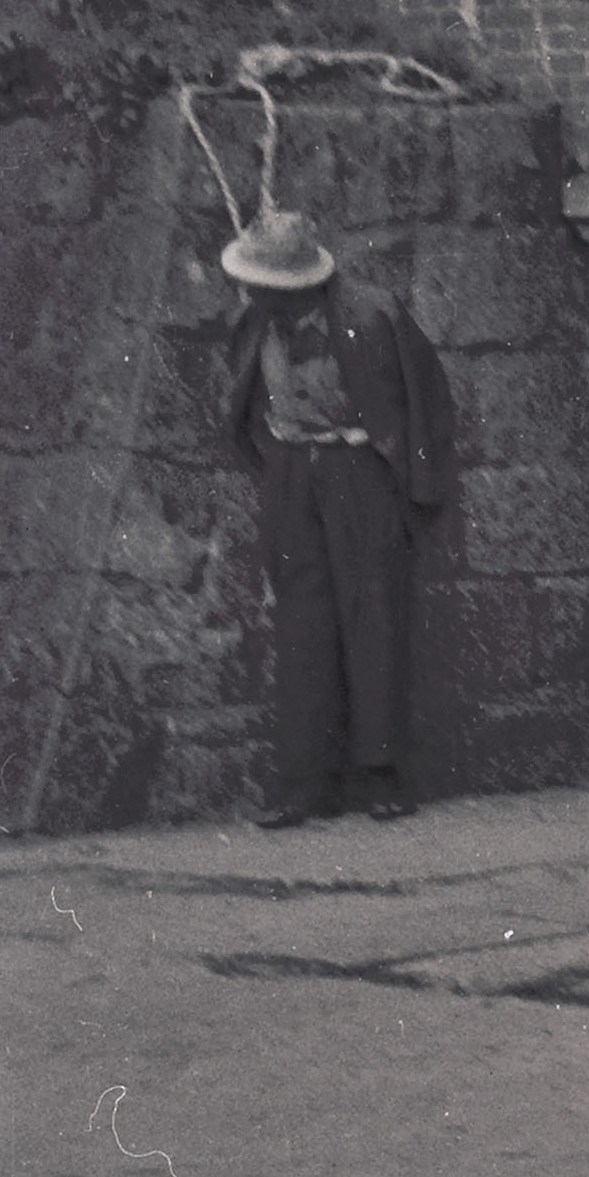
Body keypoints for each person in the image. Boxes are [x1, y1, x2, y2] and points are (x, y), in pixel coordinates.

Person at [219, 208, 456, 828]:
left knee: (373, 614)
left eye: (268, 287)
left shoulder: (373, 316)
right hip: (292, 475)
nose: (256, 295)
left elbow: (427, 399)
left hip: (359, 474)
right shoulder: (253, 324)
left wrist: (410, 483)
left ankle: (381, 776)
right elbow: (242, 404)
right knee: (301, 623)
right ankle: (305, 781)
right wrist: (277, 467)